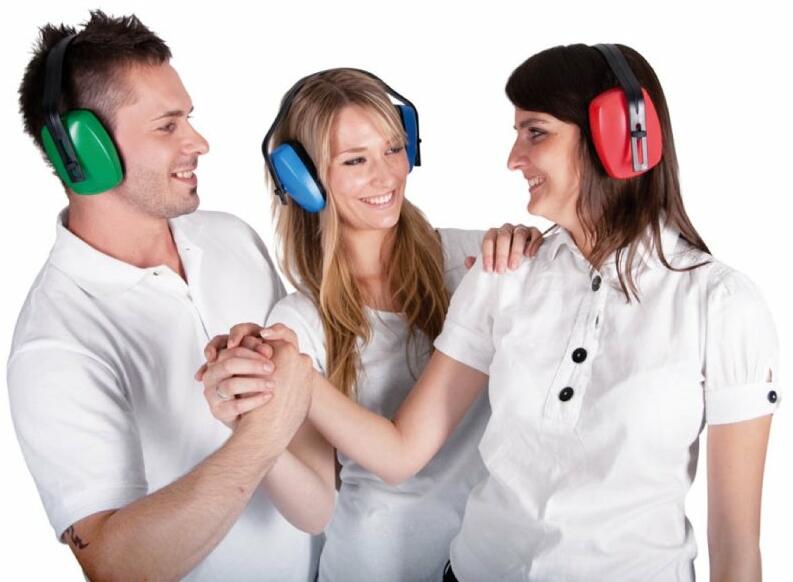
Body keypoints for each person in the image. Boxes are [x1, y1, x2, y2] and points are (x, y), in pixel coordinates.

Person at [204, 44, 780, 581]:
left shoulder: (720, 304)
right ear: (303, 182)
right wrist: (279, 395)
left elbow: (735, 544)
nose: (512, 158)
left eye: (536, 132)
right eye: (355, 159)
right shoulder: (499, 276)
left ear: (620, 138)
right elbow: (393, 458)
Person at [7, 11, 329, 581]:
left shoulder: (232, 238)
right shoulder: (55, 342)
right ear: (83, 151)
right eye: (166, 126)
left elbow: (308, 461)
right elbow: (113, 566)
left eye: (189, 119)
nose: (199, 143)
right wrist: (261, 434)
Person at [199, 68, 543, 582]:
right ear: (303, 180)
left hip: (489, 562)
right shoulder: (300, 322)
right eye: (355, 160)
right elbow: (315, 509)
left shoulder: (477, 260)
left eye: (393, 148)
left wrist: (535, 251)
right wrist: (251, 426)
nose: (386, 176)